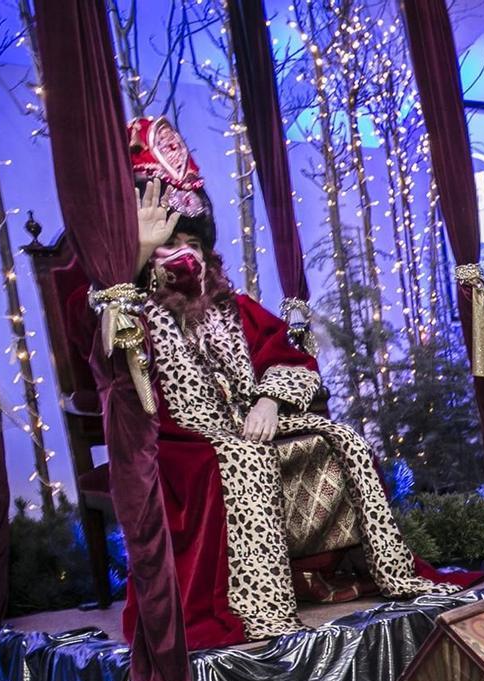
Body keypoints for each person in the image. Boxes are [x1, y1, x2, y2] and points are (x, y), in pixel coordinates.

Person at [61, 117, 436, 646]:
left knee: (341, 442)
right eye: (170, 241)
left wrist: (268, 401)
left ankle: (365, 571)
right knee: (244, 460)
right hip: (171, 441)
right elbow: (99, 351)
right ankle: (259, 606)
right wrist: (135, 260)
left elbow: (287, 354)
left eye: (191, 239)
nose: (183, 253)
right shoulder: (116, 304)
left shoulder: (230, 306)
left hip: (242, 424)